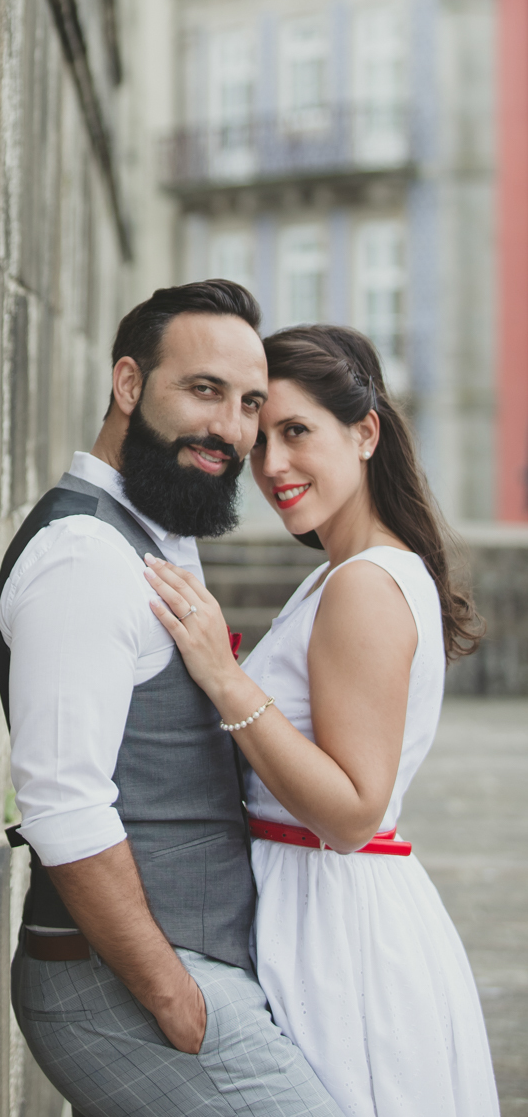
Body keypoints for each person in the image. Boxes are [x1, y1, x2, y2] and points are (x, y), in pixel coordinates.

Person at [0, 281, 344, 1117]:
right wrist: (169, 997)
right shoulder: (84, 556)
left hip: (175, 971)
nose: (230, 428)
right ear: (127, 386)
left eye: (249, 403)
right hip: (121, 986)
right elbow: (63, 802)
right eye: (203, 390)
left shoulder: (153, 535)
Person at [144, 324, 499, 1117]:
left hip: (336, 930)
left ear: (364, 431)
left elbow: (350, 811)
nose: (270, 466)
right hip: (321, 908)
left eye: (296, 432)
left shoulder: (362, 585)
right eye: (258, 439)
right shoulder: (346, 573)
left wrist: (222, 676)